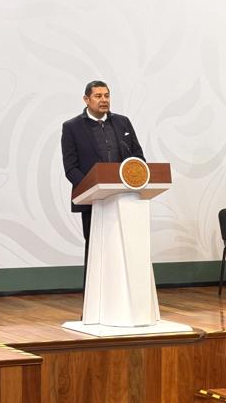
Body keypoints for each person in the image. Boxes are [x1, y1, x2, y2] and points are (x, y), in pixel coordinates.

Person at [61, 80, 145, 296]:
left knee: (126, 248)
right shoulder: (71, 127)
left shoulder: (123, 122)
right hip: (94, 202)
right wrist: (92, 189)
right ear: (86, 99)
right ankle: (94, 299)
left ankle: (126, 296)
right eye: (98, 96)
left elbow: (138, 158)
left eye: (106, 95)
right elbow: (70, 168)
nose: (104, 100)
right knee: (97, 249)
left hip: (124, 199)